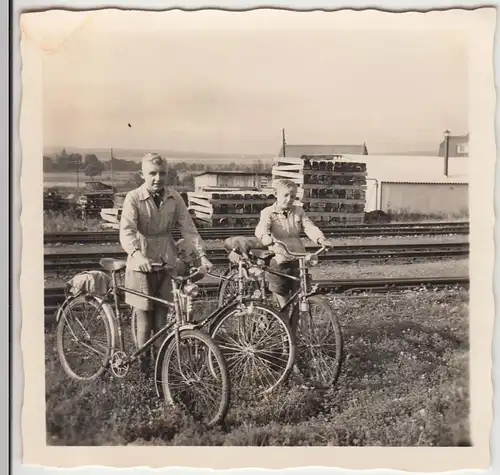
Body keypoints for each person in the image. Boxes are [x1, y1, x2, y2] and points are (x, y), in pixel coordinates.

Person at [119, 153, 213, 372]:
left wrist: (202, 255)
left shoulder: (175, 198)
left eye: (162, 173)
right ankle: (143, 367)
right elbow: (127, 231)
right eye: (152, 173)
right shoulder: (133, 198)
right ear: (142, 174)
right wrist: (137, 254)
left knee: (162, 318)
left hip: (167, 260)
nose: (157, 178)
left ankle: (160, 368)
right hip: (140, 263)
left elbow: (189, 229)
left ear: (168, 174)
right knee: (144, 319)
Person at [255, 179, 333, 312]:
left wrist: (321, 239)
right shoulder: (268, 212)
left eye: (292, 196)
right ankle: (284, 322)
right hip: (280, 258)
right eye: (285, 195)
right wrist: (265, 237)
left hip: (298, 258)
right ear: (276, 194)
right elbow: (261, 227)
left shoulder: (298, 211)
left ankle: (299, 323)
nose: (289, 199)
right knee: (282, 296)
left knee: (301, 295)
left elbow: (309, 227)